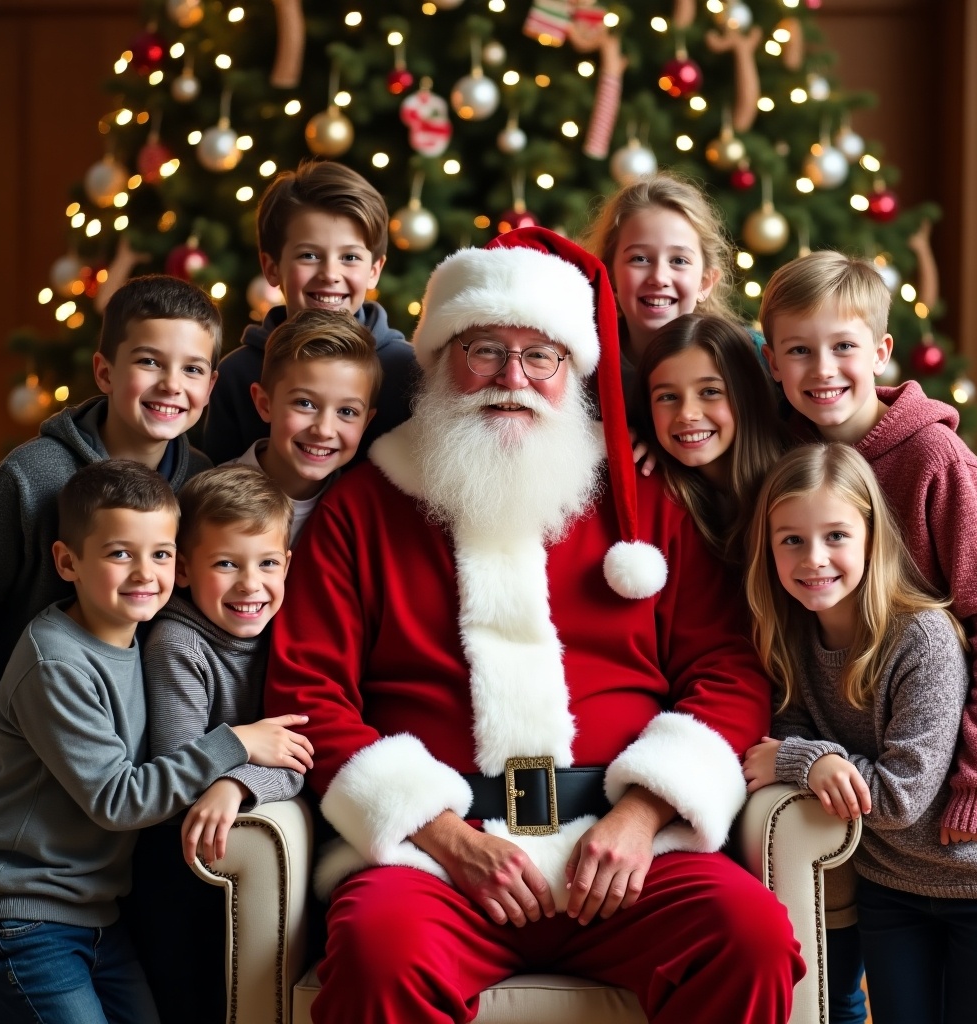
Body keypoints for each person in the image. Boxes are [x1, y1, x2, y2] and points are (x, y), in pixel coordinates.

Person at [266, 227, 804, 1024]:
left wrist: (642, 812)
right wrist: (444, 834)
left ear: (571, 370)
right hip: (437, 855)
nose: (510, 379)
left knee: (748, 935)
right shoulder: (365, 506)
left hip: (627, 849)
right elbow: (311, 692)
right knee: (378, 953)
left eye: (539, 356)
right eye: (484, 349)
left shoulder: (642, 497)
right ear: (442, 358)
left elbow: (727, 670)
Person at [0, 459, 314, 1024]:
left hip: (98, 915)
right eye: (120, 554)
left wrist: (238, 778)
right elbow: (118, 800)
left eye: (160, 554)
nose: (145, 573)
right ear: (68, 562)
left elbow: (288, 753)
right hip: (27, 915)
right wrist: (235, 742)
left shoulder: (134, 636)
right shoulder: (56, 663)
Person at [742, 442, 977, 1024]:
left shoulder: (922, 637)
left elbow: (898, 798)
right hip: (889, 887)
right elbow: (787, 739)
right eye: (791, 539)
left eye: (836, 535)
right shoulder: (791, 641)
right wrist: (809, 760)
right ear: (768, 549)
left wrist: (800, 762)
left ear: (873, 537)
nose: (813, 558)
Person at [129, 465, 298, 1024]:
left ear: (287, 565)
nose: (251, 584)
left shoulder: (286, 629)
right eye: (227, 564)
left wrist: (236, 782)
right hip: (173, 866)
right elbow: (177, 777)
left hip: (235, 843)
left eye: (267, 563)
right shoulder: (179, 645)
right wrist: (242, 753)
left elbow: (296, 756)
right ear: (182, 570)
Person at [0, 273, 220, 684]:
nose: (171, 384)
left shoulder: (203, 483)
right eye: (148, 361)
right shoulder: (28, 478)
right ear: (104, 372)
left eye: (192, 369)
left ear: (210, 387)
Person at [201, 158, 415, 466]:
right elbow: (218, 487)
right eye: (309, 255)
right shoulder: (237, 374)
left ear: (374, 270)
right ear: (271, 268)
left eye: (350, 257)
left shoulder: (407, 370)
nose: (330, 273)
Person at [635, 313, 786, 563]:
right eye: (667, 397)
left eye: (710, 392)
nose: (687, 414)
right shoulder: (658, 495)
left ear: (747, 396)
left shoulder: (795, 485)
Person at [227, 307, 380, 546]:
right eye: (305, 403)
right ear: (265, 405)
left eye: (347, 412)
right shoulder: (206, 499)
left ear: (366, 423)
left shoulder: (362, 514)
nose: (324, 430)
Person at [582, 172, 743, 377]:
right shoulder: (580, 366)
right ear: (610, 275)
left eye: (679, 261)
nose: (659, 278)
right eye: (639, 259)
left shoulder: (739, 364)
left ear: (705, 283)